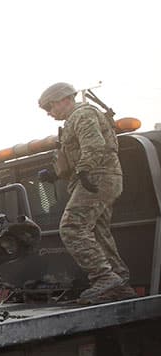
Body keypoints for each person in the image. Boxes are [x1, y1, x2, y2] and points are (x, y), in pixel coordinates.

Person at [38, 81, 135, 304]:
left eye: (51, 107)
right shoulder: (75, 119)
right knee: (99, 232)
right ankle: (119, 284)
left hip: (98, 176)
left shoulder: (82, 114)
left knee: (72, 227)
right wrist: (56, 173)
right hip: (101, 176)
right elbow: (81, 151)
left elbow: (94, 144)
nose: (50, 113)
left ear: (65, 99)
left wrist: (84, 171)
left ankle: (104, 276)